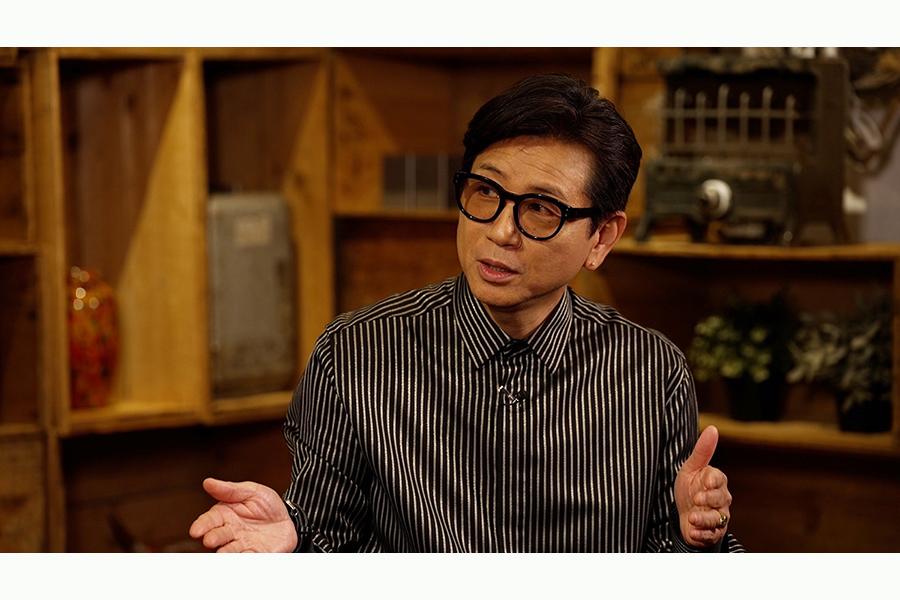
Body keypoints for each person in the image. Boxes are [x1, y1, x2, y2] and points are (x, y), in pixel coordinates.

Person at [190, 73, 743, 553]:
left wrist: (697, 538)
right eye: (485, 192)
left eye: (540, 209)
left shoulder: (650, 371)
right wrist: (294, 538)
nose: (500, 231)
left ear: (601, 237)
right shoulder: (357, 354)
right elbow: (328, 538)